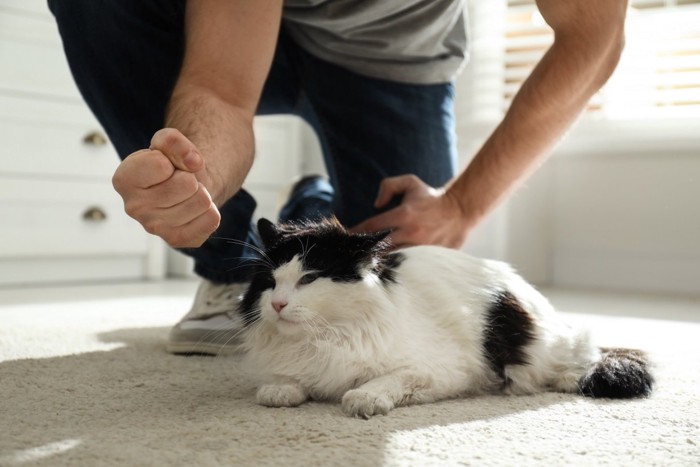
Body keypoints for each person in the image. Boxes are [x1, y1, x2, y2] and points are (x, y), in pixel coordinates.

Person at [49, 0, 627, 354]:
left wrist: (462, 207)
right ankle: (235, 268)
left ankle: (311, 207)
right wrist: (196, 181)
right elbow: (220, 88)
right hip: (254, 38)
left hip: (395, 61)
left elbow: (592, 37)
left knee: (401, 269)